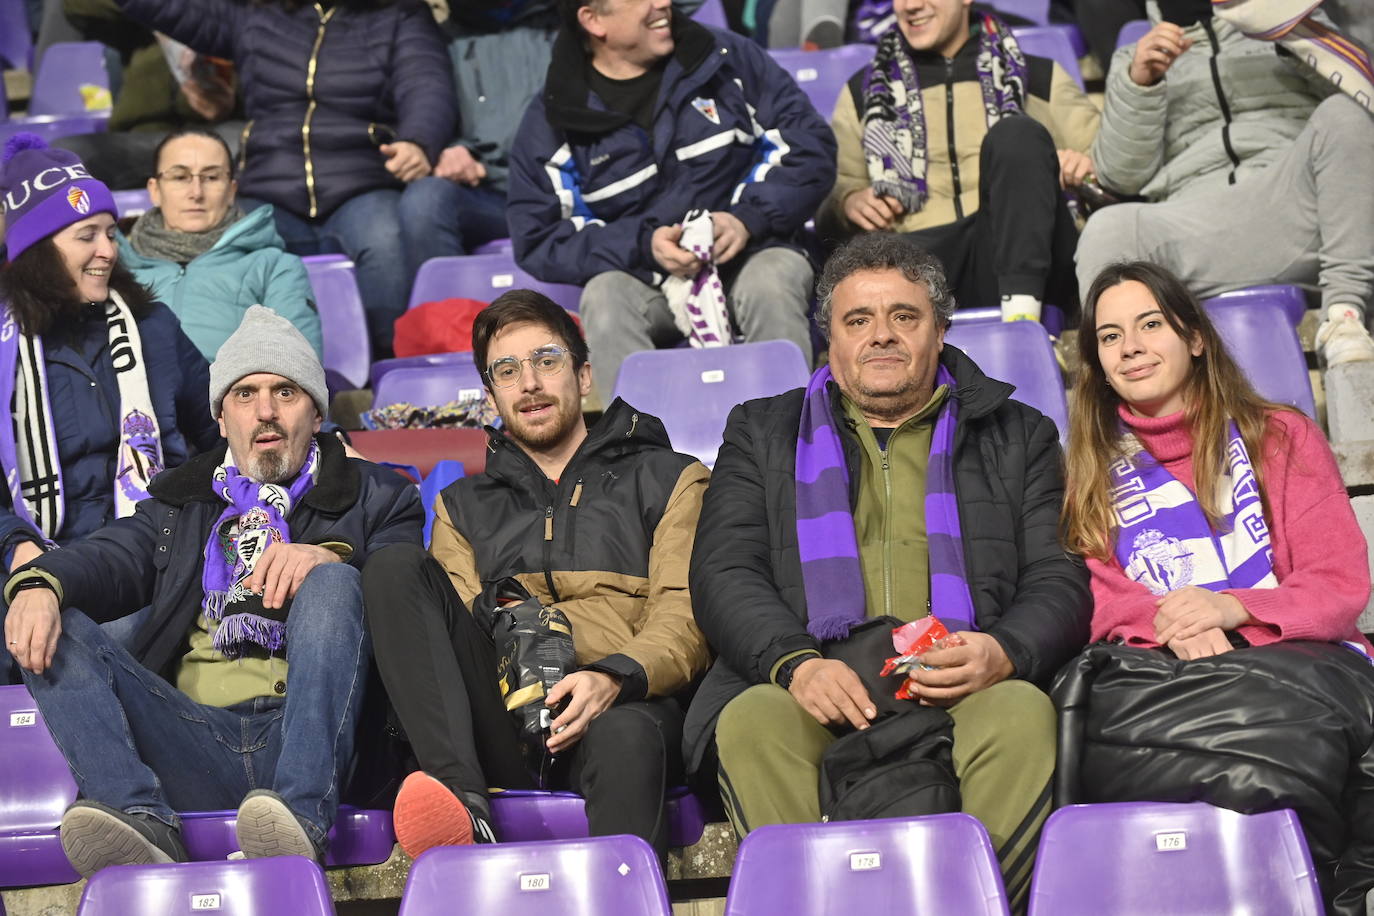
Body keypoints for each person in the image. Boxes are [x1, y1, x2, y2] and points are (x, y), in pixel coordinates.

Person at [683, 232, 1091, 908]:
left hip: (965, 680)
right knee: (752, 720)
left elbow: (1058, 578)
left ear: (939, 332)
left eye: (905, 317)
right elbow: (725, 572)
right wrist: (796, 664)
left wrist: (1003, 651)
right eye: (858, 320)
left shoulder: (1018, 433)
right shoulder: (760, 431)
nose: (882, 336)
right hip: (816, 680)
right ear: (831, 340)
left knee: (1022, 712)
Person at [1, 305, 423, 876]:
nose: (265, 412)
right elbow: (109, 556)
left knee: (330, 583)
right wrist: (38, 584)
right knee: (56, 624)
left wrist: (334, 555)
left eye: (286, 392)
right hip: (194, 741)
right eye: (244, 395)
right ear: (221, 418)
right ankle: (139, 816)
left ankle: (300, 821)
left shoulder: (378, 496)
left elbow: (408, 587)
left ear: (317, 412)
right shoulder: (183, 503)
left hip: (317, 741)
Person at [1058, 259, 1374, 911]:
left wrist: (1230, 608)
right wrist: (1177, 623)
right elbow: (1092, 593)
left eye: (1151, 325)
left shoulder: (1280, 435)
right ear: (1096, 357)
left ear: (1194, 337)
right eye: (1111, 336)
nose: (1132, 348)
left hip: (1293, 665)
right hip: (1162, 676)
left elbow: (1338, 581)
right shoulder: (1085, 469)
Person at [362, 289, 711, 861]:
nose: (529, 383)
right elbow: (464, 637)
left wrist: (612, 679)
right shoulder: (461, 505)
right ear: (491, 393)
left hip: (621, 706)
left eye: (546, 361)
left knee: (626, 735)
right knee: (394, 565)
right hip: (509, 713)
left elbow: (686, 615)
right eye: (507, 370)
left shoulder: (670, 478)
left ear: (584, 375)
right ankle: (461, 800)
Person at [507, 0, 837, 401]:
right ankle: (641, 457)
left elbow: (809, 148)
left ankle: (788, 448)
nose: (663, 2)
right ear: (593, 20)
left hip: (756, 250)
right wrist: (644, 244)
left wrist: (746, 219)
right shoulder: (555, 114)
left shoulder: (727, 58)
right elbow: (540, 235)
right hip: (646, 278)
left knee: (772, 278)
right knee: (604, 297)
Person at [112, 0, 459, 355]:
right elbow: (180, 10)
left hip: (362, 179)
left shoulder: (400, 14)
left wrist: (418, 141)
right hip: (269, 185)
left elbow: (426, 83)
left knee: (386, 239)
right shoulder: (258, 11)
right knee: (225, 241)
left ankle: (387, 368)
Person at [0, 134, 222, 678]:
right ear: (34, 252)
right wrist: (15, 546)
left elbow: (226, 426)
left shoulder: (155, 328)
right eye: (86, 236)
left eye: (109, 232)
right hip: (32, 560)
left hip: (154, 556)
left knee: (81, 650)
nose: (108, 249)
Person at [1074, 0, 1374, 365]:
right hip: (1197, 224)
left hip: (1291, 202)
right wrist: (1142, 85)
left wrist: (1290, 35)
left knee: (1344, 115)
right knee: (1108, 227)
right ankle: (1109, 386)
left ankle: (1344, 317)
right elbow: (1120, 175)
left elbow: (1361, 109)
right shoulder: (1133, 56)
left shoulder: (1294, 20)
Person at [819, 0, 1100, 323]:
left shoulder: (1037, 75)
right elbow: (830, 198)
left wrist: (1084, 167)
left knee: (1017, 134)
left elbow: (1113, 171)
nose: (911, 6)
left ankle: (1023, 318)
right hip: (919, 265)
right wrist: (848, 201)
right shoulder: (864, 91)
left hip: (1017, 254)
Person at [118, 128, 321, 362]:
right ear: (155, 190)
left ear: (232, 190)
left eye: (212, 177)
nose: (196, 193)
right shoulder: (115, 262)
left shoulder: (275, 266)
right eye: (180, 177)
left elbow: (299, 367)